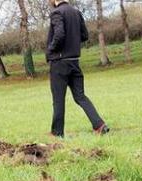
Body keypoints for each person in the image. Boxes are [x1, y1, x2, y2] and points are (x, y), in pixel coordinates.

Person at [46, 0, 109, 138]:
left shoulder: (56, 13)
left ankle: (57, 133)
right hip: (74, 62)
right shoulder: (76, 13)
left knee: (58, 99)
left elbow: (59, 35)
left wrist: (50, 50)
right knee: (80, 96)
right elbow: (84, 35)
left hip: (59, 63)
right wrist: (72, 43)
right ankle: (99, 125)